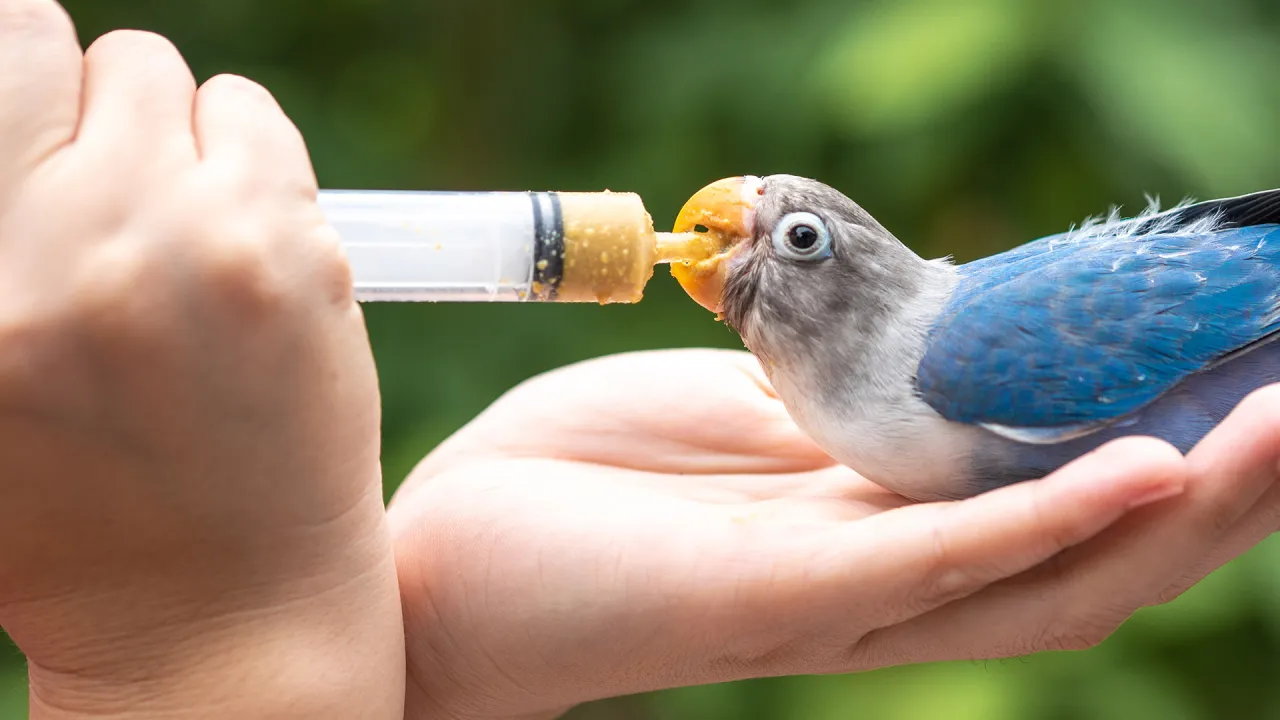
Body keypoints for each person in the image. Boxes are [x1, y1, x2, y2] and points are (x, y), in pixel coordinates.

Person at [2, 2, 1279, 718]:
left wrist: (366, 644)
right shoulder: (888, 397)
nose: (736, 235)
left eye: (795, 238)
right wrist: (228, 645)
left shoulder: (964, 357)